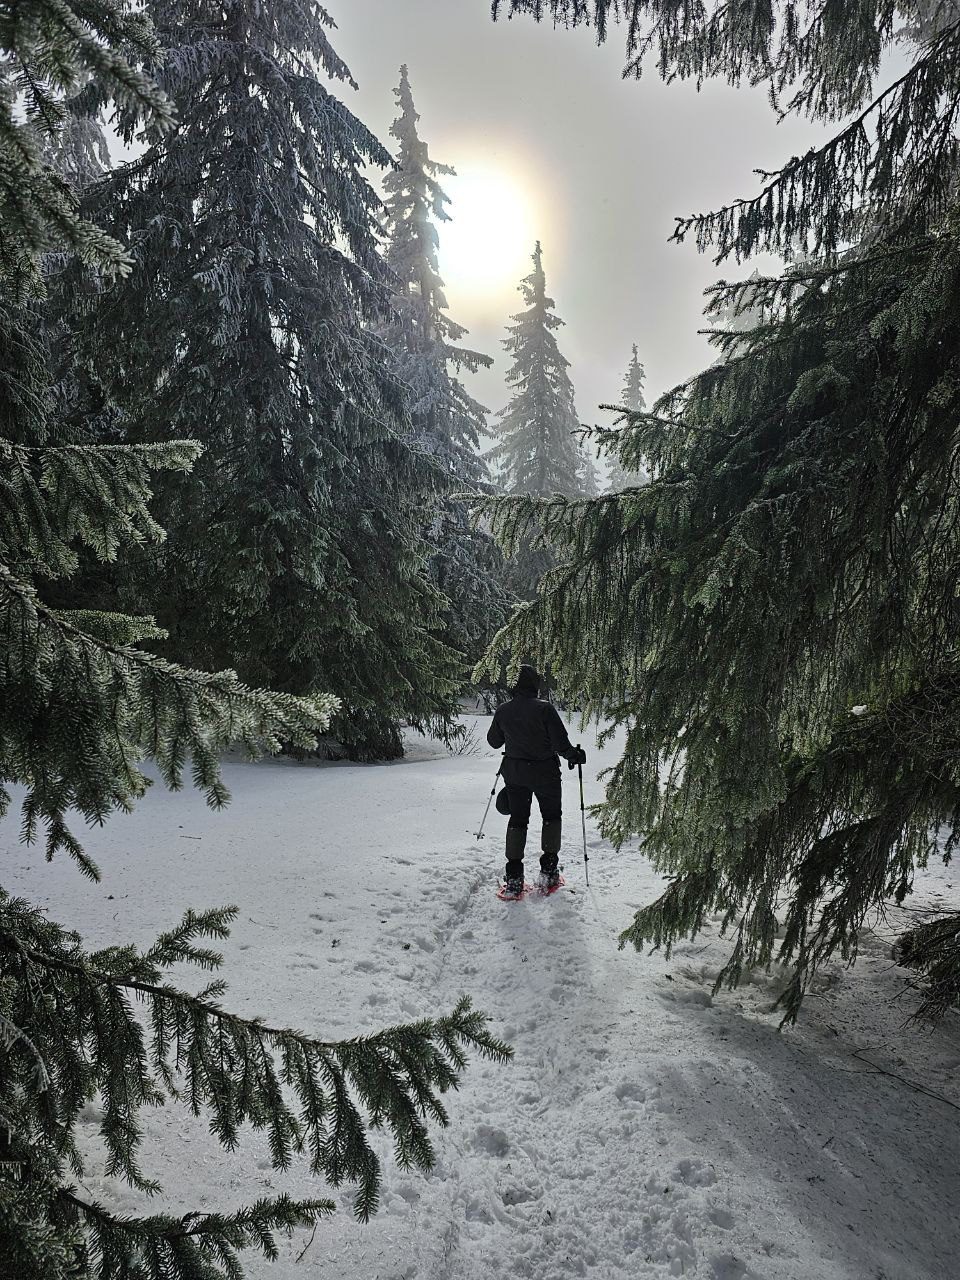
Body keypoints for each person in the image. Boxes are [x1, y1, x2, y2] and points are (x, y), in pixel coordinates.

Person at [486, 664, 587, 895]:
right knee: (551, 817)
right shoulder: (545, 709)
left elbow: (494, 742)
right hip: (546, 774)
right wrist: (575, 756)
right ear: (535, 684)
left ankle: (513, 878)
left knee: (518, 820)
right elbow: (561, 744)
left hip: (515, 774)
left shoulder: (503, 710)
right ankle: (549, 872)